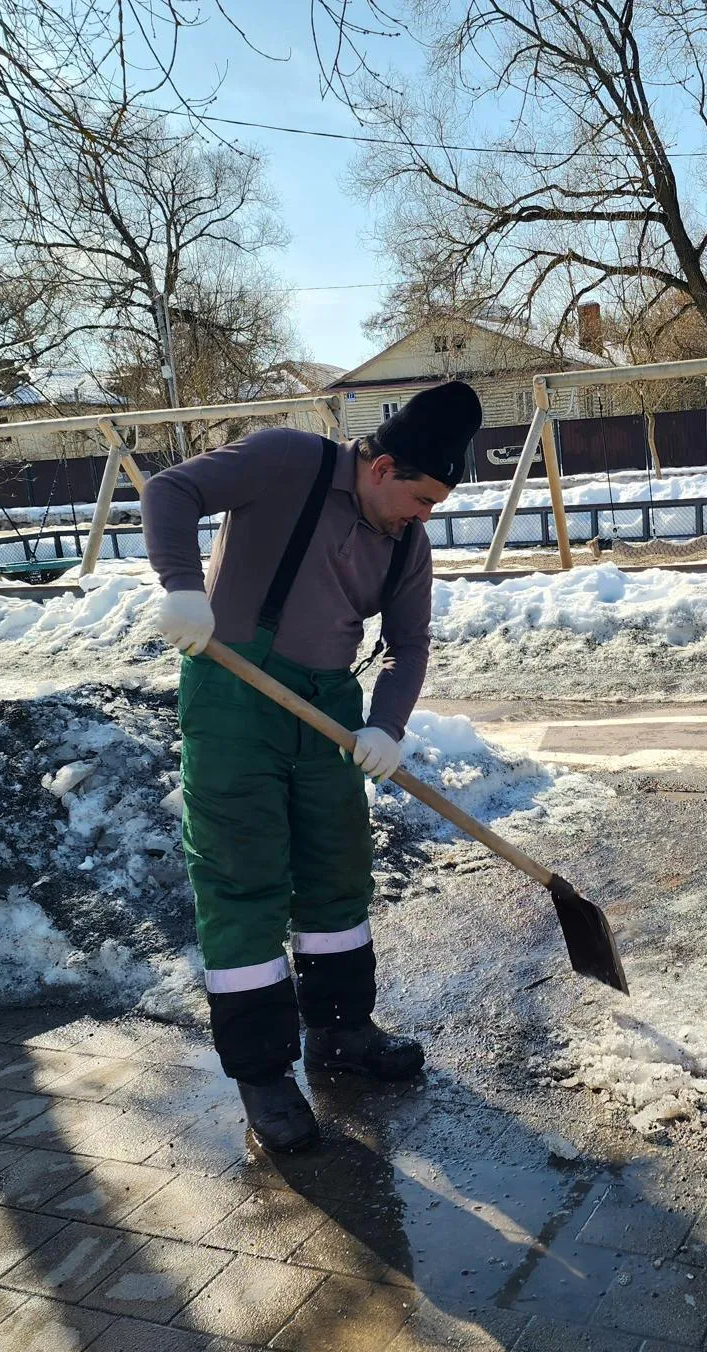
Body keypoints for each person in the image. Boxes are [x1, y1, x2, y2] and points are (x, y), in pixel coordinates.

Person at [143, 381, 483, 1155]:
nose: (423, 517)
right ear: (382, 465)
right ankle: (263, 1073)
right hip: (233, 692)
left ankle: (341, 1033)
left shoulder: (406, 543)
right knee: (243, 876)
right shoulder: (283, 458)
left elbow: (409, 645)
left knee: (337, 867)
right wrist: (183, 589)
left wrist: (385, 727)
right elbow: (172, 489)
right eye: (421, 498)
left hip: (327, 705)